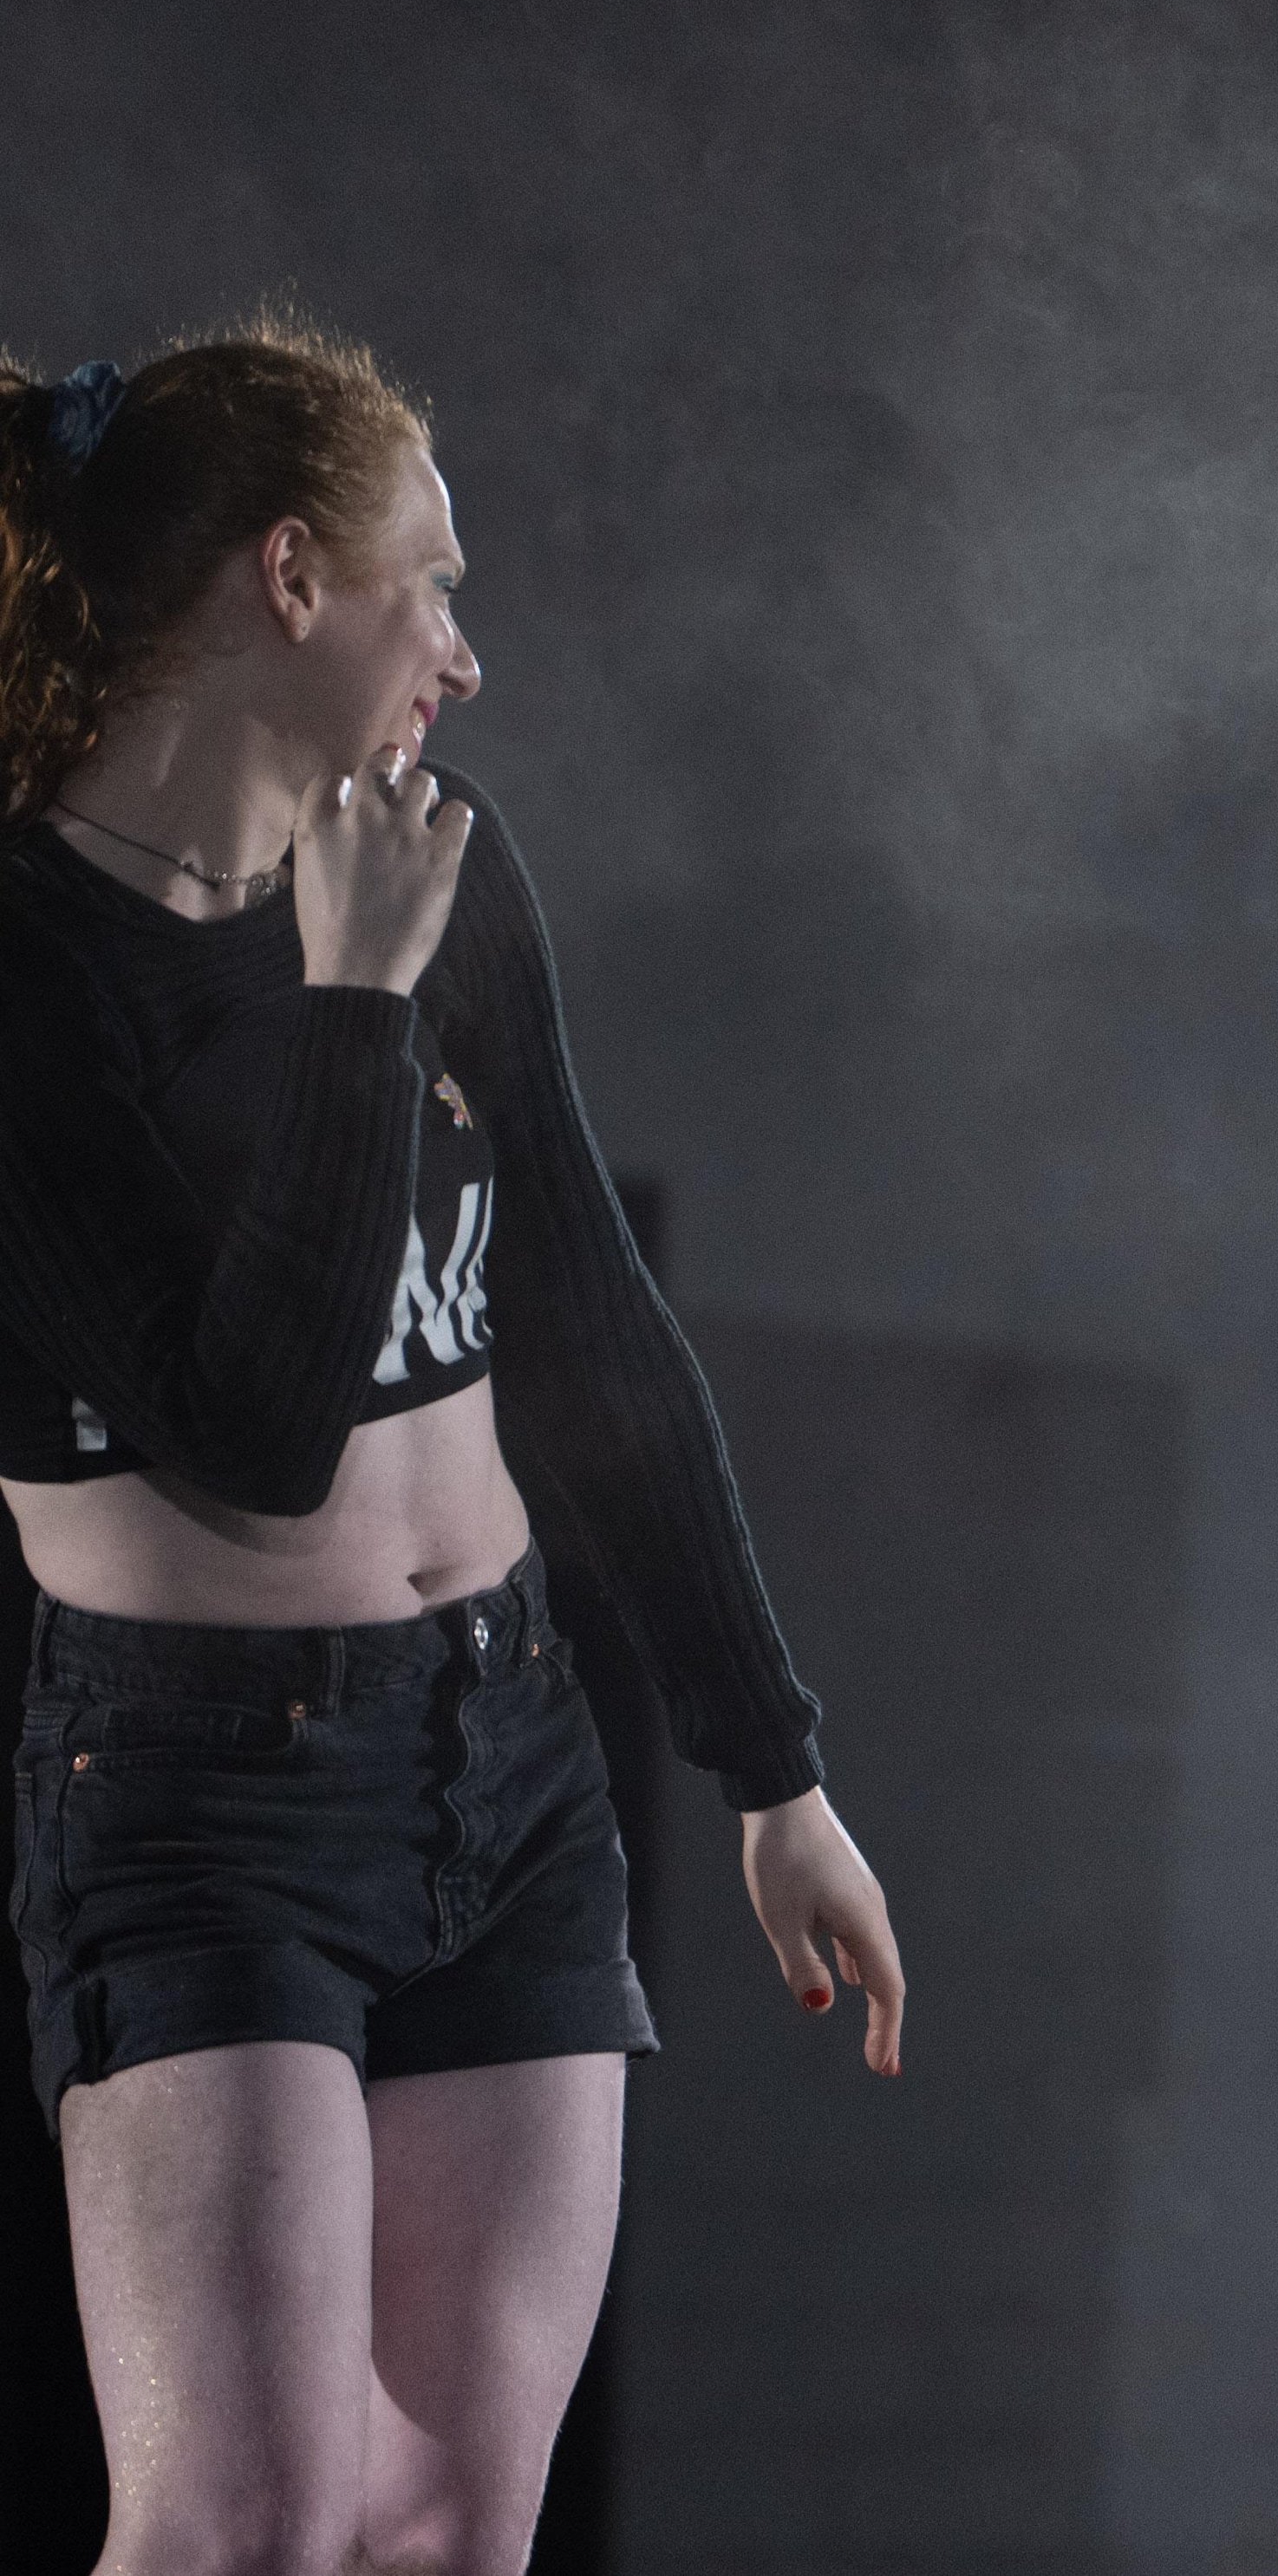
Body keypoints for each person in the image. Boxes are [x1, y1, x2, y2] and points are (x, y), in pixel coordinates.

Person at [0, 324, 905, 2573]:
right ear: (292, 579)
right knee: (239, 2523)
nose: (470, 658)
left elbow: (589, 1310)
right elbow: (252, 1441)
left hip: (509, 1754)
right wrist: (352, 1007)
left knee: (448, 2521)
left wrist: (770, 1765)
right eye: (435, 584)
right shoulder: (33, 963)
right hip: (199, 1798)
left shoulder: (431, 861)